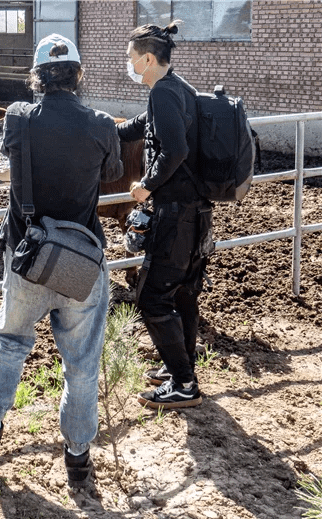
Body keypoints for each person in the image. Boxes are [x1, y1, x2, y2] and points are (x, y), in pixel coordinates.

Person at [0, 33, 123, 488]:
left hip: (28, 257)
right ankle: (78, 457)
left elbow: (9, 156)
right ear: (77, 75)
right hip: (82, 264)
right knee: (82, 361)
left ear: (37, 77)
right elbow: (111, 174)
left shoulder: (17, 117)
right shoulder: (100, 124)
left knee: (11, 341)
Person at [117, 20, 212, 409]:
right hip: (196, 213)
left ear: (150, 59)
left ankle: (185, 384)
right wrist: (99, 126)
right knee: (185, 296)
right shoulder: (179, 88)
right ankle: (180, 369)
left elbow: (173, 151)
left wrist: (146, 187)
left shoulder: (164, 95)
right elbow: (140, 127)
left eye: (131, 58)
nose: (128, 64)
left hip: (176, 216)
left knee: (153, 297)